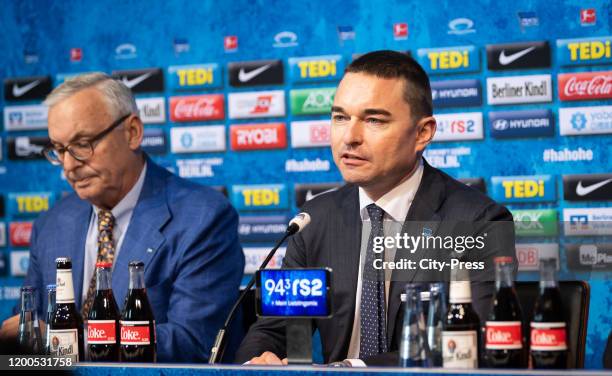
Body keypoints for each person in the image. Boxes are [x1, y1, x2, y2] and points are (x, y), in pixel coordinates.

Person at [235, 50, 515, 366]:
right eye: (340, 117)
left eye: (374, 120)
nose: (350, 137)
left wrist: (350, 370)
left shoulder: (477, 222)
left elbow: (470, 343)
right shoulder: (314, 220)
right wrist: (258, 363)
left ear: (422, 133)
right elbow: (276, 330)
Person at [0, 73, 245, 362]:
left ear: (132, 132)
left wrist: (65, 340)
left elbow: (193, 341)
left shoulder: (203, 218)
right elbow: (27, 328)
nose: (68, 166)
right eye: (59, 150)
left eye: (82, 144)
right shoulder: (51, 225)